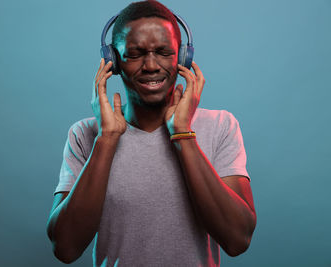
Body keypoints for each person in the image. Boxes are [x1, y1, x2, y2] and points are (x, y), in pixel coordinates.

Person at [46, 1, 256, 266]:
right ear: (114, 62)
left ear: (182, 57)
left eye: (163, 52)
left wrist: (183, 135)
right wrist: (107, 140)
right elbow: (65, 248)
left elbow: (238, 240)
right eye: (135, 54)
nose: (151, 65)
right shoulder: (85, 134)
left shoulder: (221, 126)